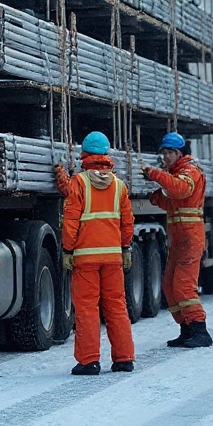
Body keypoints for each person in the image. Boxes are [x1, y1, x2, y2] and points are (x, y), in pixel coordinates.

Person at [61, 131, 136, 375]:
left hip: (85, 258)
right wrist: (125, 247)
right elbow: (127, 222)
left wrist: (66, 250)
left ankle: (89, 361)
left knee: (86, 308)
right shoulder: (119, 186)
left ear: (84, 155)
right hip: (113, 257)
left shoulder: (79, 183)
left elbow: (71, 221)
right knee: (116, 306)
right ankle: (124, 359)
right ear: (106, 155)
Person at [142, 132, 212, 348]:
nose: (165, 157)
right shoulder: (177, 173)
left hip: (190, 239)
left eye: (168, 153)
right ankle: (187, 329)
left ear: (178, 152)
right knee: (169, 286)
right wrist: (156, 198)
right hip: (181, 240)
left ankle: (201, 331)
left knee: (183, 286)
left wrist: (156, 174)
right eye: (163, 153)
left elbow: (181, 190)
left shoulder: (190, 171)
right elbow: (175, 202)